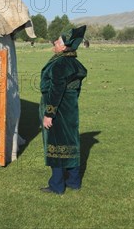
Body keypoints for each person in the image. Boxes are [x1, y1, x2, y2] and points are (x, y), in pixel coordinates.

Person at [39, 25, 88, 194]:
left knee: (56, 144)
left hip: (58, 109)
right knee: (70, 142)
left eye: (58, 41)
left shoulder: (60, 64)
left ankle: (57, 185)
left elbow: (56, 90)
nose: (54, 42)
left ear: (64, 46)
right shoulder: (75, 64)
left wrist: (48, 114)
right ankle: (74, 182)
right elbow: (75, 90)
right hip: (70, 109)